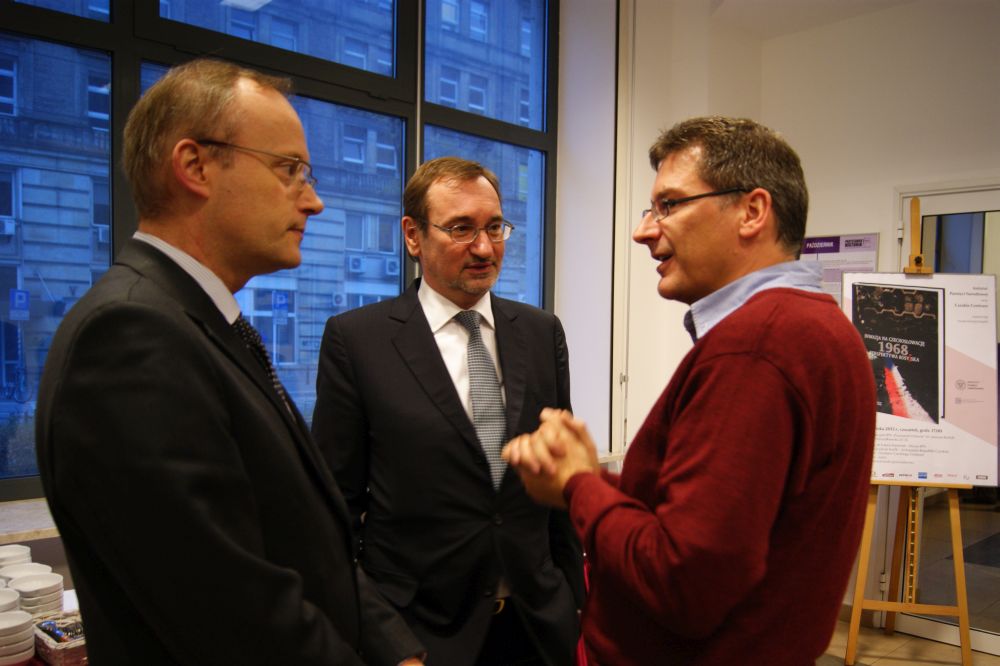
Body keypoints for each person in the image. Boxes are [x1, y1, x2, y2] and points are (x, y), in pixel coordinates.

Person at [35, 58, 424, 665]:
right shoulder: (130, 337)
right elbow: (237, 617)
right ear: (195, 166)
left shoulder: (201, 321)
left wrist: (398, 652)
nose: (315, 201)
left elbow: (311, 547)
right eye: (289, 170)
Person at [503, 116, 877, 664]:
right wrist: (590, 480)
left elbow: (683, 581)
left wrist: (579, 487)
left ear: (752, 211)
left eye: (669, 205)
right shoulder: (819, 326)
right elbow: (721, 524)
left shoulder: (756, 346)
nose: (643, 231)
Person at [312, 157, 584, 666]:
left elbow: (560, 485)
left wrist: (574, 602)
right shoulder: (358, 341)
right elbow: (334, 516)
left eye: (494, 227)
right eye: (461, 229)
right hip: (420, 635)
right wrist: (386, 643)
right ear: (413, 236)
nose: (484, 248)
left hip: (538, 628)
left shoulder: (541, 332)